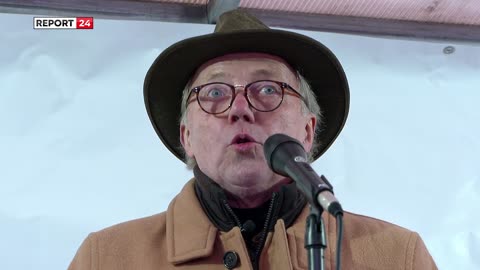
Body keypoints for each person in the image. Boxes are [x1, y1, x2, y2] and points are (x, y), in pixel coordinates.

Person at [68, 10, 437, 270]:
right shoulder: (104, 258)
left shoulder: (398, 256)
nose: (240, 109)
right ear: (187, 138)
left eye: (267, 89)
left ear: (308, 131)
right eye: (214, 93)